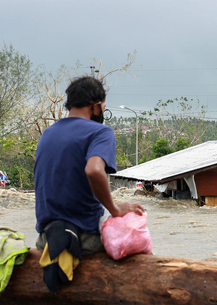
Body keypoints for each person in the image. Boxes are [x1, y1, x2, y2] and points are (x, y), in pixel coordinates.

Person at [34, 76, 144, 256]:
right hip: (83, 237)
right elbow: (93, 170)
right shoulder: (100, 132)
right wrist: (115, 210)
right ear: (96, 105)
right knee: (137, 241)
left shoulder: (48, 133)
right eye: (103, 108)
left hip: (46, 239)